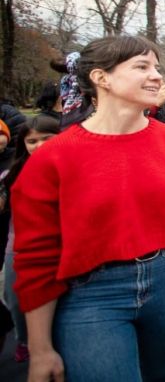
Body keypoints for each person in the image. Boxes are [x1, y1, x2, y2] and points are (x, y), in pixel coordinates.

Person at [12, 35, 165, 382]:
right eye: (141, 66)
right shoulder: (53, 158)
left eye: (156, 66)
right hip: (92, 295)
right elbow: (36, 256)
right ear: (101, 78)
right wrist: (41, 348)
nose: (156, 75)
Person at [2, 114, 60, 364]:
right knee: (16, 300)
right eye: (32, 141)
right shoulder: (12, 174)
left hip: (62, 246)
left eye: (48, 139)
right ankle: (25, 339)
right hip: (19, 246)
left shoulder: (71, 169)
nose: (40, 146)